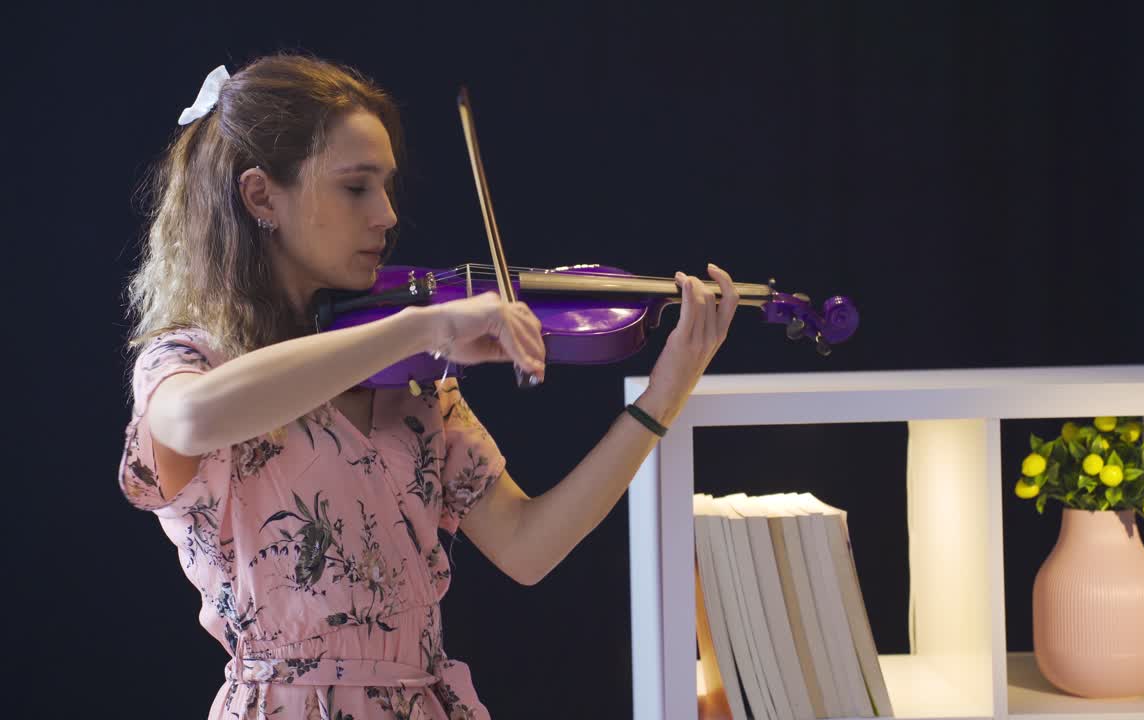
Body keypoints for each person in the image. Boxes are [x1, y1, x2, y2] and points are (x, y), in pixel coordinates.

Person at [118, 52, 739, 720]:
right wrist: (420, 327)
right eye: (356, 188)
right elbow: (189, 423)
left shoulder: (413, 387)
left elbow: (529, 546)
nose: (386, 214)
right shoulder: (189, 358)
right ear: (262, 196)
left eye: (386, 187)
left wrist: (661, 398)